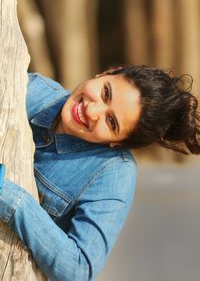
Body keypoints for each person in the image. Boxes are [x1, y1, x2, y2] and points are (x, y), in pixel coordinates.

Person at [0, 65, 200, 281]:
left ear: (117, 143)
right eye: (106, 93)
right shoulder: (30, 88)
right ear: (107, 72)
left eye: (111, 122)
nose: (92, 111)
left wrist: (9, 197)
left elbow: (79, 269)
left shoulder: (113, 174)